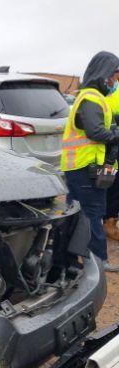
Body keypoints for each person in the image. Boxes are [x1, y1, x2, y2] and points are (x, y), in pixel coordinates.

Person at [61, 51, 119, 272]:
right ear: (104, 74)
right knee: (93, 213)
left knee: (78, 213)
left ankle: (69, 260)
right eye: (113, 77)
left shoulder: (94, 98)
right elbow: (96, 132)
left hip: (92, 167)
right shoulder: (91, 99)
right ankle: (98, 262)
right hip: (85, 168)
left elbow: (105, 125)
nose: (114, 82)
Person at [104, 88, 119, 241]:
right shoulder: (111, 95)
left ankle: (110, 221)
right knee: (109, 187)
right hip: (111, 150)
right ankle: (108, 223)